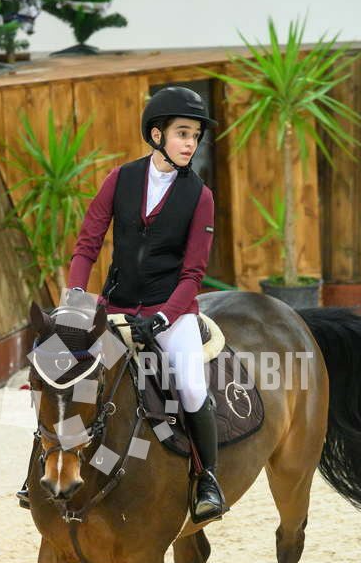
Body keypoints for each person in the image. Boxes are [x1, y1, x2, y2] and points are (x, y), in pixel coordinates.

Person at [17, 86, 225, 521]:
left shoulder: (200, 196)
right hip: (115, 307)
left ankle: (207, 477)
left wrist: (164, 317)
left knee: (190, 385)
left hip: (171, 313)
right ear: (157, 134)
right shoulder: (121, 179)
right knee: (63, 373)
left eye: (195, 136)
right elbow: (88, 244)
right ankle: (40, 468)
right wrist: (75, 297)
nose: (190, 143)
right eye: (182, 133)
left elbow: (193, 274)